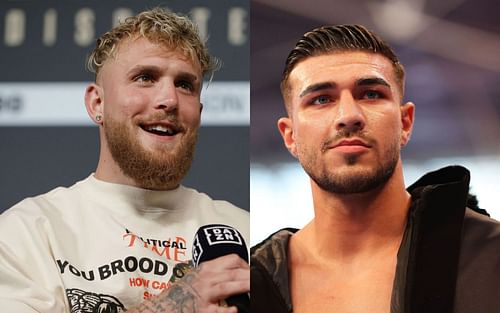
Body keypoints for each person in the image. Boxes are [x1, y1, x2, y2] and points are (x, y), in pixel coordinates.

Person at [0, 8, 249, 313]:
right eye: (145, 78)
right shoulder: (27, 233)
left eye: (185, 84)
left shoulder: (249, 234)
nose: (169, 100)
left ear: (199, 111)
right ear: (97, 103)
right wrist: (179, 302)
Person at [250, 24, 500, 313]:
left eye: (370, 94)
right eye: (321, 99)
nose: (349, 116)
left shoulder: (488, 258)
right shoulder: (247, 289)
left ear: (405, 122)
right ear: (290, 136)